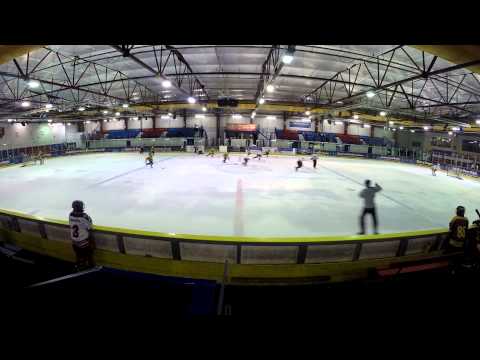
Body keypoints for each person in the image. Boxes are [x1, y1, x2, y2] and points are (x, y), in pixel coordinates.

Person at [69, 200, 95, 271]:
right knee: (89, 254)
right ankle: (90, 266)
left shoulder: (70, 214)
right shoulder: (84, 217)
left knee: (78, 254)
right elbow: (90, 229)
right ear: (81, 207)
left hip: (74, 241)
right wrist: (92, 242)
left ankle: (78, 265)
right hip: (83, 241)